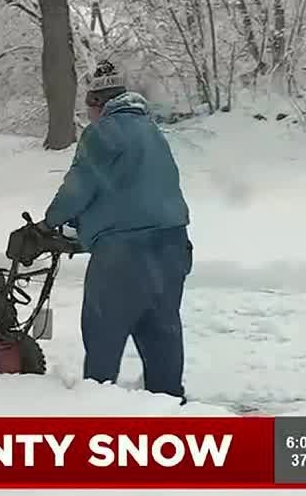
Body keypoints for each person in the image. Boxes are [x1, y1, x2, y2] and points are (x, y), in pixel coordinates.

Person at [41, 61, 193, 402]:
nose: (88, 116)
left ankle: (98, 407)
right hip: (173, 246)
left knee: (103, 334)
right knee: (161, 331)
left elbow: (78, 188)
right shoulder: (152, 131)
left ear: (98, 104)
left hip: (124, 254)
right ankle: (170, 405)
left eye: (88, 108)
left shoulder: (103, 132)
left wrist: (47, 224)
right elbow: (131, 190)